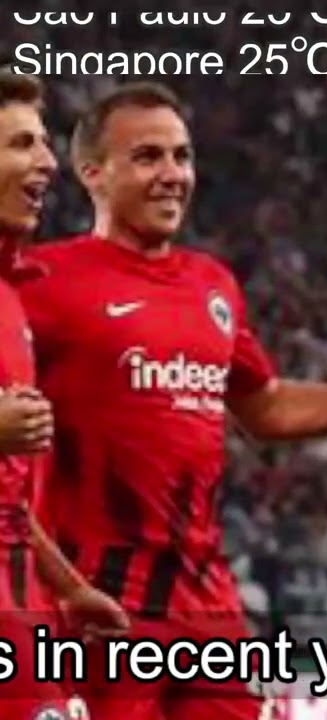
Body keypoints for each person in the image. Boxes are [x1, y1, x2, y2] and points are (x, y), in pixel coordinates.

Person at [17, 81, 327, 720]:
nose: (172, 174)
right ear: (92, 172)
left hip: (207, 603)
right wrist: (57, 582)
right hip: (99, 600)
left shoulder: (213, 285)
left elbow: (268, 407)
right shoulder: (39, 281)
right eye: (148, 156)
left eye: (181, 156)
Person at [0, 68, 129, 718]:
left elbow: (9, 499)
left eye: (45, 143)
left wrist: (67, 587)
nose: (49, 162)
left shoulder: (11, 294)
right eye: (21, 143)